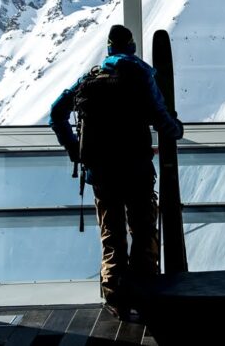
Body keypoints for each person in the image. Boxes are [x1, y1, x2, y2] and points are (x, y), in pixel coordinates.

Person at [49, 24, 183, 315]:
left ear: (108, 48)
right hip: (137, 169)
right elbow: (162, 119)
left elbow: (56, 113)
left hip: (101, 173)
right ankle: (146, 296)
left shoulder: (90, 77)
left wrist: (75, 150)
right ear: (132, 46)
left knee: (112, 235)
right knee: (144, 230)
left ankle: (115, 299)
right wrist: (176, 130)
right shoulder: (142, 75)